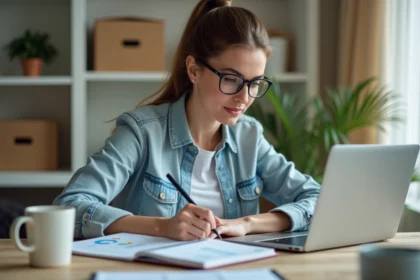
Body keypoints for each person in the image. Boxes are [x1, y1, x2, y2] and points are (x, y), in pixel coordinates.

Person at [53, 0, 320, 241]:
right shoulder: (141, 132)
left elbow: (318, 199)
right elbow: (70, 207)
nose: (244, 97)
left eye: (255, 83)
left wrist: (249, 224)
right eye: (231, 79)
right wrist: (163, 227)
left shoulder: (249, 136)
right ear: (194, 69)